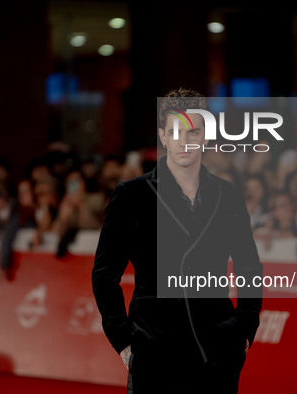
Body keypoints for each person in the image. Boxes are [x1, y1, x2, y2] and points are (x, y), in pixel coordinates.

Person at [92, 88, 263, 394]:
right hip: (155, 353)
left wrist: (244, 330)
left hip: (218, 354)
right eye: (176, 132)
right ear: (163, 136)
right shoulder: (132, 195)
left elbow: (249, 265)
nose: (184, 141)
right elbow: (105, 274)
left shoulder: (228, 195)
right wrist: (124, 343)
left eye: (193, 131)